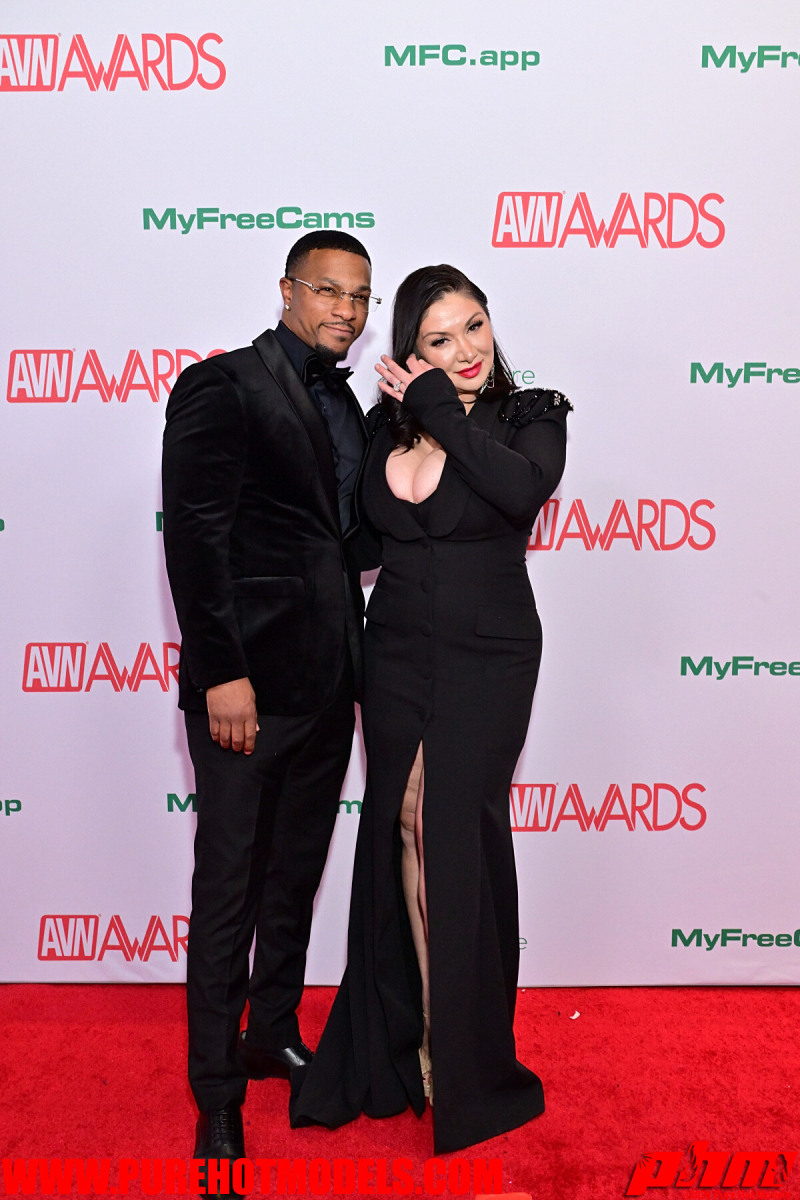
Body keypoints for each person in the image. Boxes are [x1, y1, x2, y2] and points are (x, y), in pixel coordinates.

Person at [291, 264, 571, 1155]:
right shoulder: (387, 427)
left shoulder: (529, 416)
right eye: (440, 339)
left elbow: (520, 492)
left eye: (475, 325)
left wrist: (441, 409)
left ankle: (467, 1056)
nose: (466, 349)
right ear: (411, 350)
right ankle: (410, 1037)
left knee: (454, 833)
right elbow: (361, 541)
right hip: (397, 654)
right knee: (401, 827)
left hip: (490, 655)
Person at [161, 230, 380, 1173]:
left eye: (360, 297)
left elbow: (350, 542)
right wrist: (222, 672)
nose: (346, 310)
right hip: (245, 692)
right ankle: (216, 1095)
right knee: (228, 895)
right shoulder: (222, 386)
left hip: (330, 689)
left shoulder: (352, 404)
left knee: (292, 880)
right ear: (288, 291)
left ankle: (272, 1034)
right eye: (329, 291)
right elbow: (195, 537)